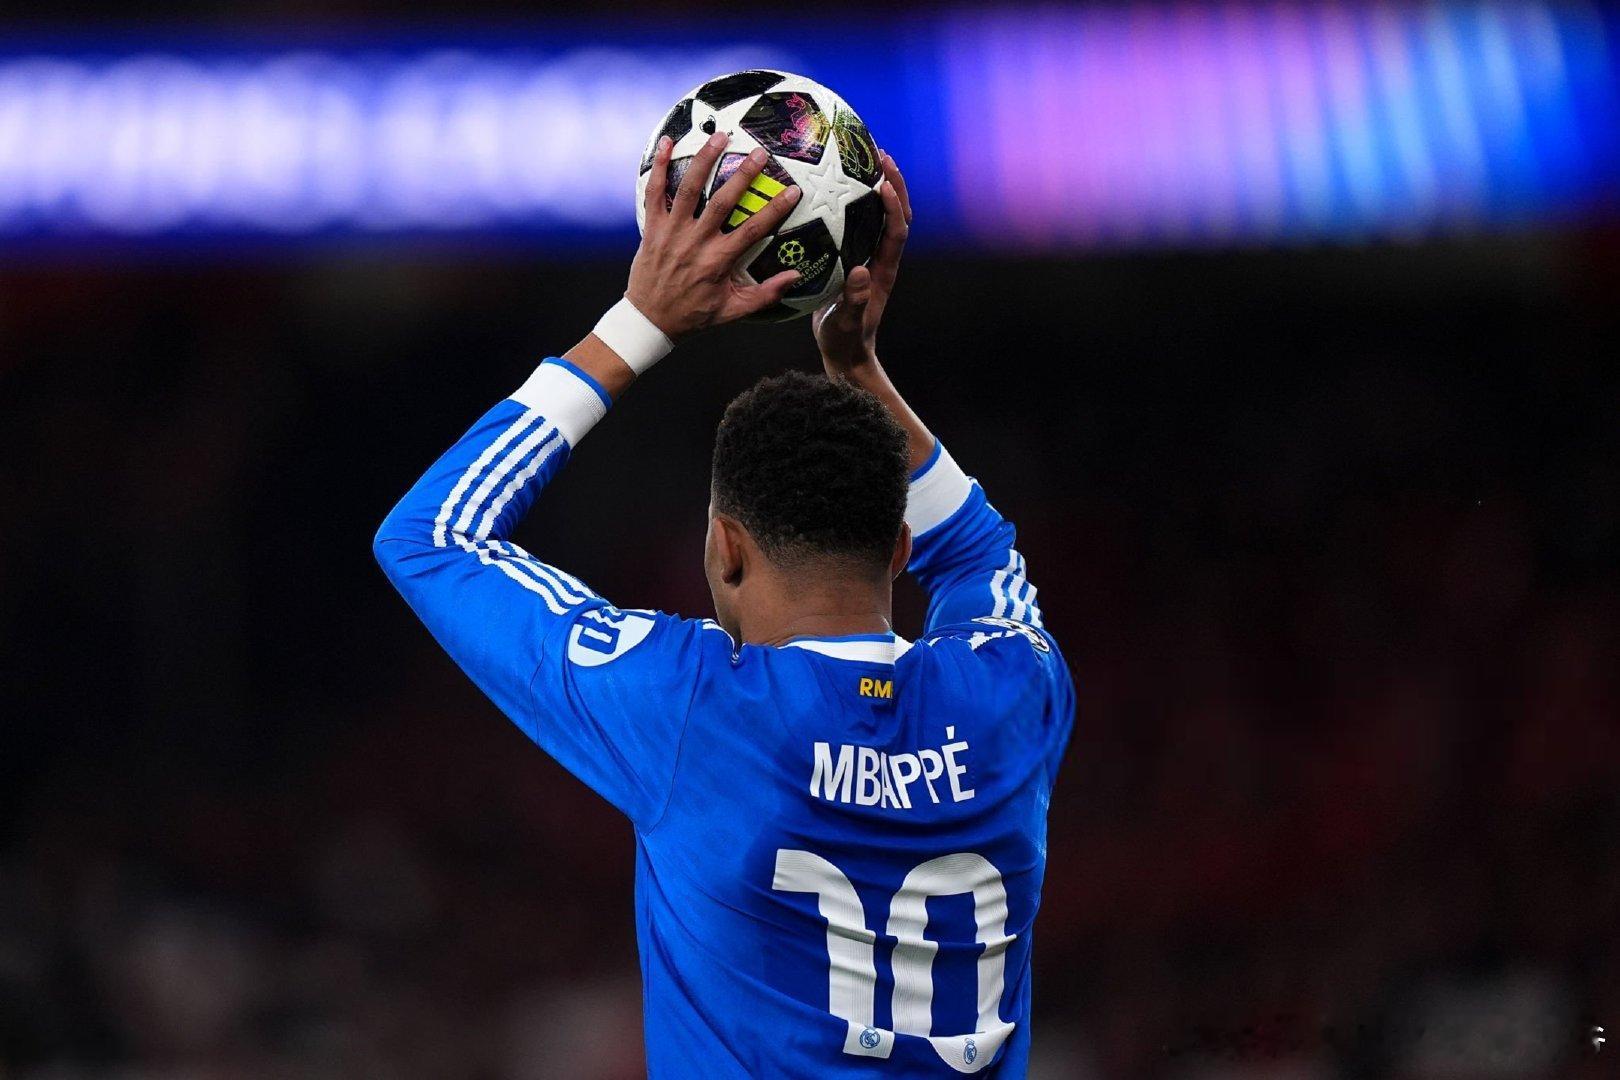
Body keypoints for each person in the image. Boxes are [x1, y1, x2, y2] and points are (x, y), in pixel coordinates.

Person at [375, 130, 1075, 1077]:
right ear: (898, 547)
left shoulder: (691, 708)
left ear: (725, 549)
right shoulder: (1013, 691)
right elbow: (979, 550)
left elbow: (432, 537)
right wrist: (858, 368)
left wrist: (642, 319)